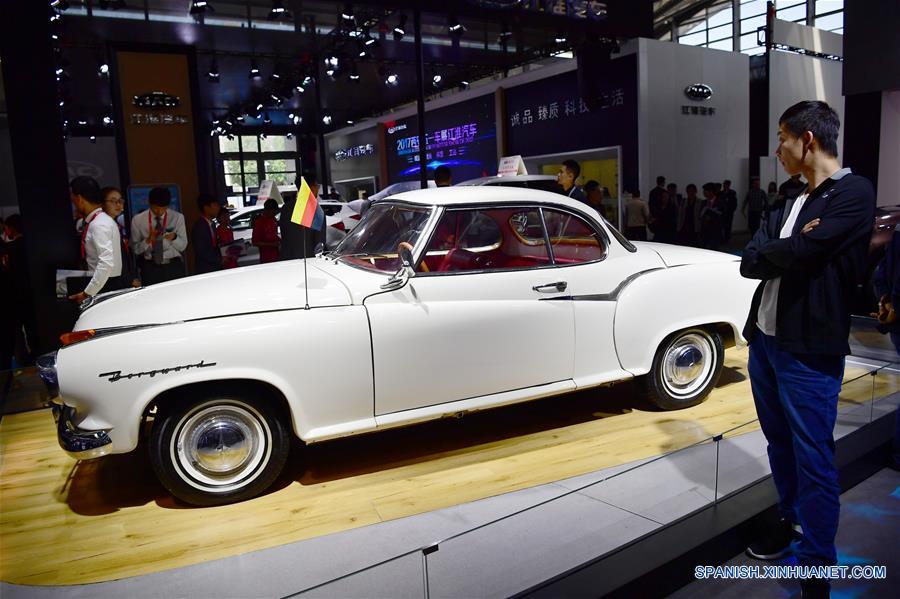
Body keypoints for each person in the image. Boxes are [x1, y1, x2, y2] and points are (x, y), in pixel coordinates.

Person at [740, 100, 875, 598]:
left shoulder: (853, 192)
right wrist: (792, 246)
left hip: (809, 348)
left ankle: (817, 564)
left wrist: (791, 247)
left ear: (808, 140)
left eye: (781, 138)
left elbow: (808, 251)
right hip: (765, 342)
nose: (777, 149)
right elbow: (749, 262)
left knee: (813, 454)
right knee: (779, 444)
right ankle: (791, 522)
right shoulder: (785, 199)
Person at [69, 176, 124, 303]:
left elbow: (106, 263)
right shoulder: (101, 220)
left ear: (79, 199)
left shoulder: (99, 224)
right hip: (104, 282)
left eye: (73, 199)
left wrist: (87, 293)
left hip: (104, 285)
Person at [131, 187, 187, 285]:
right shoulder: (138, 220)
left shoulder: (177, 217)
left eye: (164, 208)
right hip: (150, 267)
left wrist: (174, 238)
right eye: (156, 208)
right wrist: (148, 240)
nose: (159, 211)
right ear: (149, 203)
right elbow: (135, 249)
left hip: (173, 265)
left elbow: (183, 246)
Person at [0, 214, 36, 369]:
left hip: (13, 295)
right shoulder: (31, 246)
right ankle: (36, 356)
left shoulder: (9, 249)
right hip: (33, 293)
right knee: (33, 327)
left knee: (16, 332)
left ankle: (23, 362)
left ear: (11, 228)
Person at [102, 186, 140, 288]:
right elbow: (111, 260)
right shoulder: (103, 226)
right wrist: (129, 280)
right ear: (102, 203)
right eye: (113, 201)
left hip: (125, 279)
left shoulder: (114, 223)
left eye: (120, 201)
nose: (118, 204)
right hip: (115, 282)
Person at [280, 174, 324, 259]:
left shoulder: (286, 208)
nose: (317, 189)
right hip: (308, 262)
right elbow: (319, 242)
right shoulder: (316, 210)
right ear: (310, 188)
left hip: (287, 259)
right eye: (317, 186)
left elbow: (284, 235)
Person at [192, 194, 223, 274]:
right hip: (206, 269)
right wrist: (219, 260)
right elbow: (201, 250)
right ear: (206, 208)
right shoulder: (199, 226)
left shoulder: (212, 224)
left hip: (215, 267)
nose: (218, 208)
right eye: (215, 205)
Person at [253, 198, 281, 263]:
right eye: (273, 212)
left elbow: (274, 235)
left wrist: (280, 240)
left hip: (276, 256)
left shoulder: (273, 220)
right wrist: (271, 244)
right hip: (266, 258)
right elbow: (255, 242)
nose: (274, 214)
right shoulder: (259, 222)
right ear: (267, 210)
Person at [699, 182, 723, 250]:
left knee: (714, 251)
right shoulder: (703, 202)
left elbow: (722, 216)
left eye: (705, 191)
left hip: (715, 231)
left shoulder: (720, 202)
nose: (703, 193)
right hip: (704, 232)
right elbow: (700, 216)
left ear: (711, 191)